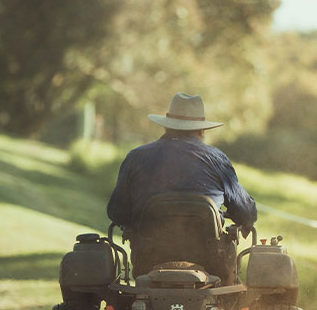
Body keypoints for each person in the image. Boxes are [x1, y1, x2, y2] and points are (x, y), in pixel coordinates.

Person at [107, 93, 257, 277]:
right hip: (211, 264)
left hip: (148, 261)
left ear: (166, 126)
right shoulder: (217, 159)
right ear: (201, 130)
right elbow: (246, 213)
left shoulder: (136, 157)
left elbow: (116, 213)